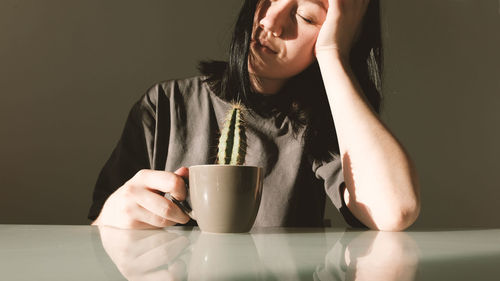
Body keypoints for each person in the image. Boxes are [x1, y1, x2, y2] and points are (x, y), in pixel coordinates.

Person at [89, 0, 420, 231]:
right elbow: (98, 232)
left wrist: (334, 54)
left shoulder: (321, 126)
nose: (270, 22)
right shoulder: (164, 104)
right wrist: (108, 221)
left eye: (306, 17)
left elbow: (395, 210)